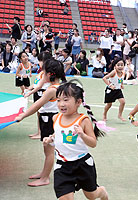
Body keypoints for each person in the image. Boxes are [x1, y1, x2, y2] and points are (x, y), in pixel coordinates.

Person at [42, 80, 108, 200]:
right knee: (64, 198)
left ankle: (102, 192)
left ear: (78, 102)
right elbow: (58, 134)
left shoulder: (83, 120)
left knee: (91, 195)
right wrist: (50, 139)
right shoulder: (55, 118)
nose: (61, 104)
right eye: (58, 100)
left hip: (82, 164)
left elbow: (93, 143)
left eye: (66, 100)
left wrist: (82, 135)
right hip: (62, 165)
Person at [15, 59, 66, 187]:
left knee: (49, 151)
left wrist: (23, 115)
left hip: (49, 121)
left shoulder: (51, 90)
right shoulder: (57, 87)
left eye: (43, 72)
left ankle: (45, 178)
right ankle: (44, 173)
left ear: (49, 74)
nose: (41, 74)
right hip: (48, 120)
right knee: (47, 150)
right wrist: (44, 79)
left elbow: (37, 105)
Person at [24, 51, 52, 140]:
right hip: (37, 93)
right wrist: (29, 88)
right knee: (39, 114)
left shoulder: (47, 73)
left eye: (41, 61)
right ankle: (39, 131)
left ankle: (42, 132)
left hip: (42, 94)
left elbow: (40, 86)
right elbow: (36, 84)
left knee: (43, 114)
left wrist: (30, 92)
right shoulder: (41, 73)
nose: (39, 62)